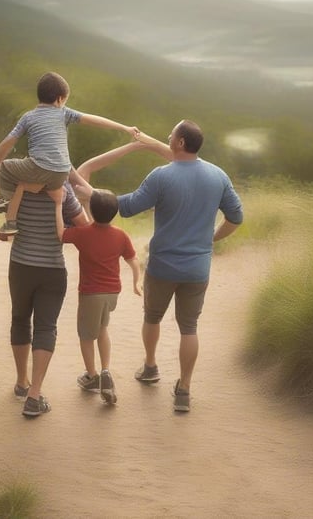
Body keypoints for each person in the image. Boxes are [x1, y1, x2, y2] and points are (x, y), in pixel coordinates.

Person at [117, 120, 243, 412]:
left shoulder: (161, 176)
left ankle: (150, 367)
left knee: (152, 317)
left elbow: (128, 207)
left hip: (162, 265)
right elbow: (236, 217)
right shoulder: (218, 175)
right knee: (189, 328)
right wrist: (211, 239)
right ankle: (184, 389)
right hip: (197, 269)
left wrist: (95, 197)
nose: (168, 137)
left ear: (181, 143)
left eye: (171, 134)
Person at [0, 71, 139, 241]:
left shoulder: (28, 117)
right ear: (59, 99)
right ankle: (76, 226)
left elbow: (6, 144)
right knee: (58, 187)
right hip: (61, 175)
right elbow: (95, 120)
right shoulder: (64, 113)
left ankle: (4, 201)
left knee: (5, 167)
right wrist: (124, 128)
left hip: (41, 170)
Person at [6, 179, 89, 417]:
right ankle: (34, 394)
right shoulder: (63, 187)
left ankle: (22, 382)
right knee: (46, 327)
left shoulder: (18, 181)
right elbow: (84, 226)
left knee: (20, 319)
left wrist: (21, 187)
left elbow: (7, 224)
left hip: (21, 265)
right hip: (52, 268)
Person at [59, 188, 141, 405]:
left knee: (86, 336)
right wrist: (136, 282)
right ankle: (105, 370)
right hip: (112, 293)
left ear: (93, 211)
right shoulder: (120, 235)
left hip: (91, 293)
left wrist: (58, 205)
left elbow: (60, 234)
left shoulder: (83, 234)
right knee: (102, 329)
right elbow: (133, 260)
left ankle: (92, 376)